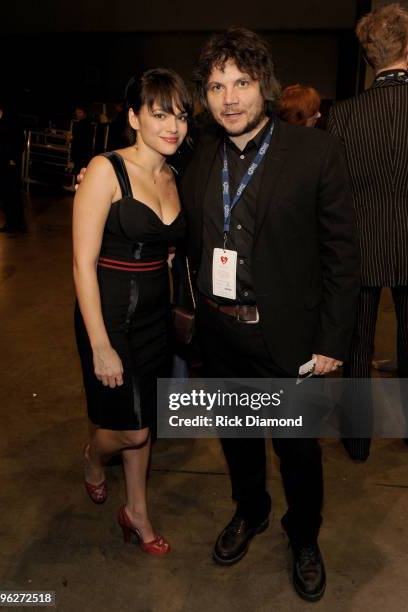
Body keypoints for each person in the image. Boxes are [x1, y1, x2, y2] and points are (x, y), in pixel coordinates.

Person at [181, 28, 359, 601]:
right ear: (204, 96)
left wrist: (334, 338)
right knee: (236, 438)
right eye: (216, 86)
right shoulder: (201, 151)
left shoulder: (314, 150)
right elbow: (145, 179)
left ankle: (303, 535)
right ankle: (250, 511)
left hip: (287, 338)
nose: (229, 98)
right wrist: (99, 178)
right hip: (219, 331)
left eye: (242, 82)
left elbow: (341, 255)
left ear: (265, 86)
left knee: (298, 451)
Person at [73, 68, 190, 555]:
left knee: (147, 422)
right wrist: (100, 344)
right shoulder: (105, 169)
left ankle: (136, 511)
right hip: (110, 314)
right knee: (131, 426)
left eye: (180, 115)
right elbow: (82, 263)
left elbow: (168, 245)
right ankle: (92, 456)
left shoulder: (174, 173)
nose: (172, 126)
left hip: (156, 317)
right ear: (133, 117)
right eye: (159, 113)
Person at [328, 3, 408, 461]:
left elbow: (333, 196)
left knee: (355, 348)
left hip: (359, 248)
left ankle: (356, 442)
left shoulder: (343, 115)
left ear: (369, 55)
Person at [0, 95, 25, 232]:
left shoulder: (11, 121)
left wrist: (14, 158)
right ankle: (9, 223)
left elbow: (20, 141)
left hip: (10, 162)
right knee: (4, 194)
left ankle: (18, 224)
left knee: (13, 193)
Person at [71, 104, 94, 174]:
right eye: (77, 113)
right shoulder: (88, 124)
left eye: (80, 113)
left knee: (79, 172)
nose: (77, 115)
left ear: (84, 113)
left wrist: (72, 138)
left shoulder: (82, 125)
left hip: (81, 154)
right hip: (84, 154)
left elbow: (78, 140)